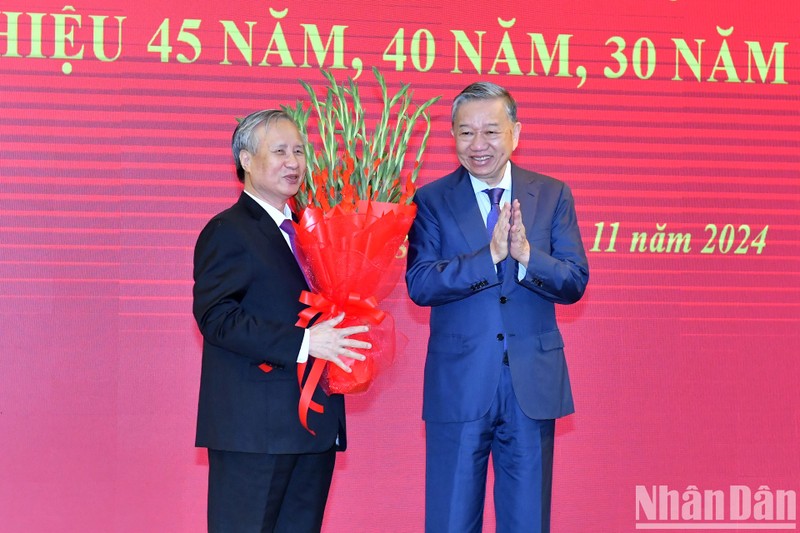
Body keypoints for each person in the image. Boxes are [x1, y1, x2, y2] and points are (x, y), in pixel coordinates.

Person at [405, 82, 589, 533]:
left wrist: (528, 257)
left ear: (516, 133)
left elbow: (574, 281)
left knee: (528, 520)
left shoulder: (552, 194)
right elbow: (420, 283)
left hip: (532, 384)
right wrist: (487, 258)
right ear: (452, 136)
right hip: (460, 384)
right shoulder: (431, 200)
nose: (478, 144)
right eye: (465, 133)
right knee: (451, 519)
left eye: (491, 131)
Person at [193, 109, 370, 533]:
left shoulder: (312, 232)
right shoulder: (228, 230)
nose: (293, 162)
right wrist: (305, 343)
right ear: (246, 161)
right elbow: (217, 317)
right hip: (255, 432)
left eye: (299, 151)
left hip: (313, 428)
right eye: (279, 151)